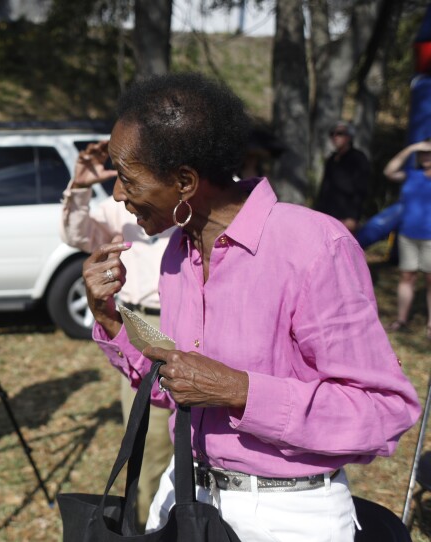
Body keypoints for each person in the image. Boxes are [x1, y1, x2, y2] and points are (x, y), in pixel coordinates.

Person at [82, 73, 420, 541]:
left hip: (287, 516)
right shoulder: (179, 253)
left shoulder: (313, 246)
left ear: (184, 181)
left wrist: (240, 390)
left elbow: (382, 411)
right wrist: (108, 318)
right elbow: (176, 387)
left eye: (127, 177)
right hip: (182, 500)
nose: (117, 193)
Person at [60, 144, 174, 526]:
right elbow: (78, 234)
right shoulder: (120, 207)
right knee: (148, 446)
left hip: (194, 323)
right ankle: (144, 528)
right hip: (142, 326)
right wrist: (79, 186)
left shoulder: (200, 200)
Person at [382, 138, 431, 336]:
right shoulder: (412, 174)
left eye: (429, 153)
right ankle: (402, 319)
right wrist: (411, 148)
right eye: (423, 153)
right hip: (407, 235)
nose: (425, 156)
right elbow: (389, 171)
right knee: (406, 276)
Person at [314, 120, 371, 233]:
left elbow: (361, 189)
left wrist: (353, 217)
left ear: (349, 137)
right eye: (332, 134)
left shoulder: (358, 158)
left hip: (346, 217)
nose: (335, 137)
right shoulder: (331, 159)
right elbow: (325, 188)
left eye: (340, 133)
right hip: (326, 215)